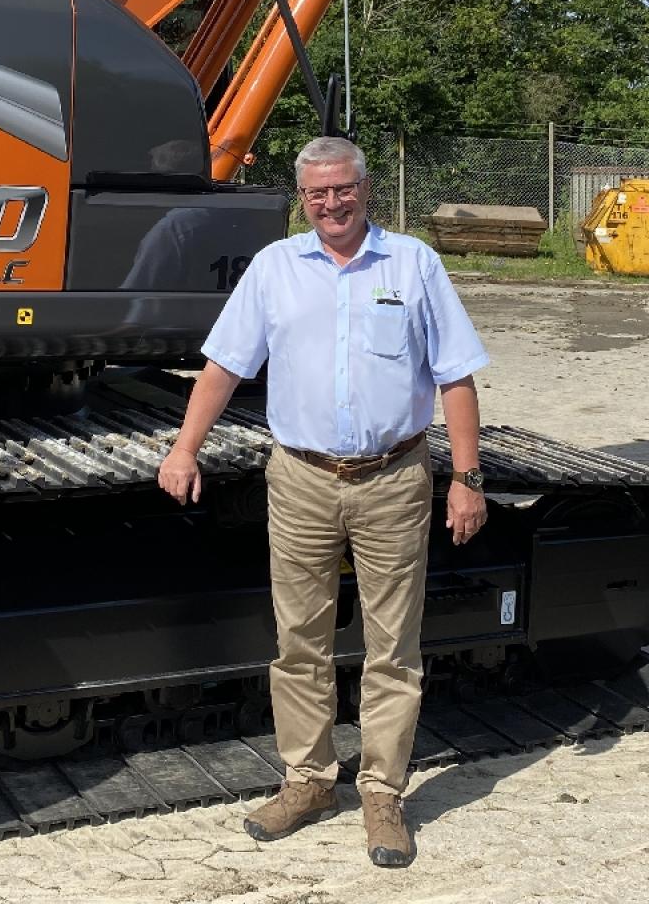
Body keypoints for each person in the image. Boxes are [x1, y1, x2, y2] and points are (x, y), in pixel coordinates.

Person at [157, 135, 489, 869]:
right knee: (298, 641)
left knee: (392, 648)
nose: (331, 203)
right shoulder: (276, 269)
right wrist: (185, 447)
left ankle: (382, 794)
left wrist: (466, 480)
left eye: (343, 189)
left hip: (394, 478)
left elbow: (456, 377)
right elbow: (223, 364)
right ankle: (308, 781)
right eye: (317, 193)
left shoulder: (414, 264)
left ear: (365, 189)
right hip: (302, 479)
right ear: (301, 198)